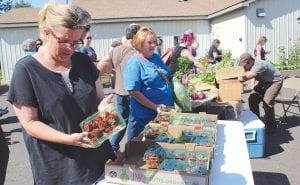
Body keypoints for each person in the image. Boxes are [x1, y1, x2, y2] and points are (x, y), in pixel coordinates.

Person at [7, 3, 115, 185]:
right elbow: (30, 123)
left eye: (76, 42)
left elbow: (98, 99)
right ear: (46, 33)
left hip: (98, 158)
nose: (70, 48)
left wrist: (103, 107)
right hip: (60, 169)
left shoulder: (83, 62)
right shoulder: (25, 70)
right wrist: (69, 139)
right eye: (64, 41)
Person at [97, 23, 140, 153]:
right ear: (136, 35)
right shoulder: (135, 51)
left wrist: (116, 72)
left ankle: (113, 148)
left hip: (119, 91)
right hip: (133, 92)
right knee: (133, 122)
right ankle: (130, 150)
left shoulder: (115, 50)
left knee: (120, 121)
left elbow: (101, 65)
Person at [124, 27, 173, 134]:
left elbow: (165, 75)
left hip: (165, 111)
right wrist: (155, 107)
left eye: (155, 42)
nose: (153, 45)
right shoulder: (134, 63)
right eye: (149, 43)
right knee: (152, 146)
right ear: (140, 44)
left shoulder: (155, 57)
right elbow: (133, 91)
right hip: (147, 115)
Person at [239, 52, 283, 133]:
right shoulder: (250, 65)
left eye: (245, 66)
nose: (244, 68)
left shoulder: (259, 64)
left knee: (267, 102)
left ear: (250, 61)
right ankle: (256, 121)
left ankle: (271, 126)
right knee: (252, 99)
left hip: (274, 82)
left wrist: (232, 79)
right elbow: (246, 74)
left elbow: (248, 76)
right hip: (263, 82)